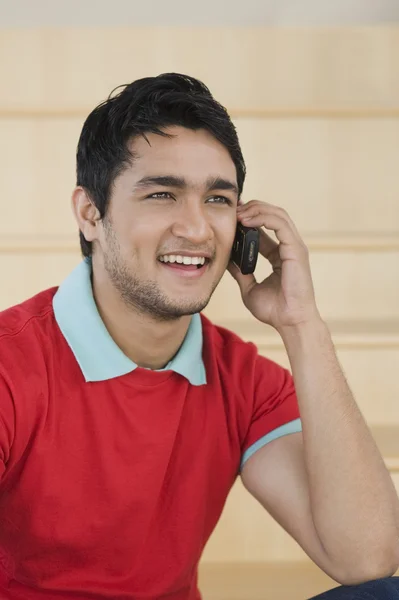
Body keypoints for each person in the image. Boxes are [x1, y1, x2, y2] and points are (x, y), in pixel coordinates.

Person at [0, 73, 398, 600]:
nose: (196, 229)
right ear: (90, 213)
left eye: (216, 198)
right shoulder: (11, 362)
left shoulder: (244, 380)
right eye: (163, 194)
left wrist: (302, 324)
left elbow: (365, 557)